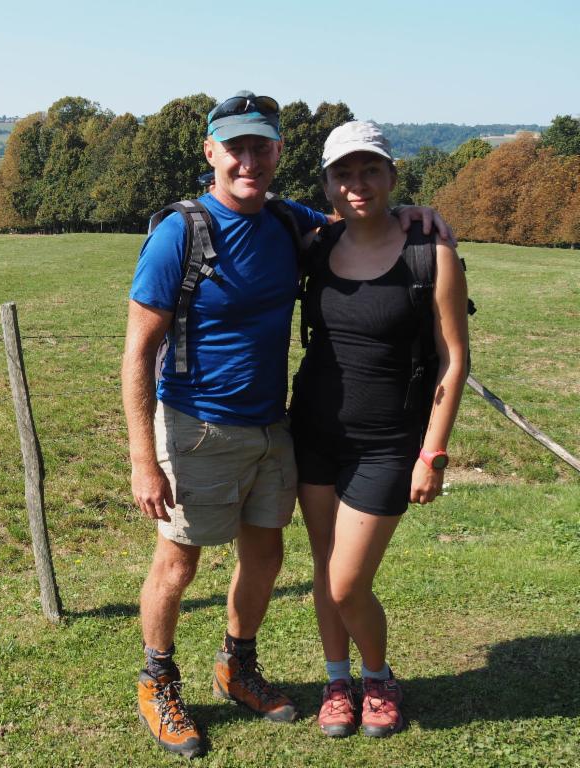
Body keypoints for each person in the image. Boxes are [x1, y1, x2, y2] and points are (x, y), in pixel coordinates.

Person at [122, 93, 452, 758]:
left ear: (277, 155)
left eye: (261, 147)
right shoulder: (178, 235)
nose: (248, 160)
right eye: (235, 148)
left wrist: (420, 215)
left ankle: (236, 665)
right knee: (178, 563)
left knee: (265, 558)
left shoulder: (286, 221)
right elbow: (135, 353)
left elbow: (355, 221)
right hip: (196, 427)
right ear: (211, 153)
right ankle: (157, 680)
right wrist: (143, 459)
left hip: (275, 427)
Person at [289, 120, 469, 738]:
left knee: (347, 581)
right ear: (328, 183)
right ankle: (336, 680)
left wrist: (433, 452)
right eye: (344, 172)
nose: (357, 183)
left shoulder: (431, 252)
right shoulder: (314, 244)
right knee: (323, 567)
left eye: (370, 170)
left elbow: (454, 358)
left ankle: (377, 676)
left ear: (393, 175)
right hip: (311, 433)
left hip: (388, 443)